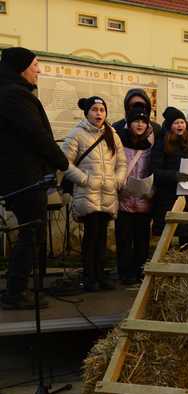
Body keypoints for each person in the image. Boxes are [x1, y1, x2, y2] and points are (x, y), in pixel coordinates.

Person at [0, 47, 69, 309]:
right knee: (32, 232)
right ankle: (16, 293)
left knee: (30, 232)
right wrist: (63, 163)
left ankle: (17, 287)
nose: (38, 70)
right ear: (21, 67)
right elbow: (37, 135)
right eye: (35, 64)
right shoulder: (14, 95)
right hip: (24, 177)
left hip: (19, 176)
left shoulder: (9, 92)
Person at [62, 97, 127, 291]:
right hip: (87, 192)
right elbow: (65, 163)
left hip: (107, 193)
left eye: (102, 110)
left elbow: (121, 162)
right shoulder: (77, 134)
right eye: (94, 109)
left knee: (102, 236)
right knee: (91, 235)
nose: (99, 113)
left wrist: (117, 179)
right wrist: (85, 180)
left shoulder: (112, 134)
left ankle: (101, 275)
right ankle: (89, 277)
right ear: (87, 112)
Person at [150, 107, 188, 240]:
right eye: (176, 123)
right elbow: (155, 172)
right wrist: (174, 176)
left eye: (182, 122)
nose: (180, 125)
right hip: (168, 198)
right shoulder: (161, 143)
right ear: (170, 126)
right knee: (170, 237)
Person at [115, 104, 155, 286]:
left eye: (143, 121)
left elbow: (152, 170)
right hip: (123, 199)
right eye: (135, 121)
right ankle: (125, 273)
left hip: (143, 200)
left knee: (142, 240)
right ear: (128, 123)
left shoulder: (150, 147)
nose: (139, 125)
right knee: (124, 239)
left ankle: (140, 270)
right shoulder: (119, 143)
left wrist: (151, 190)